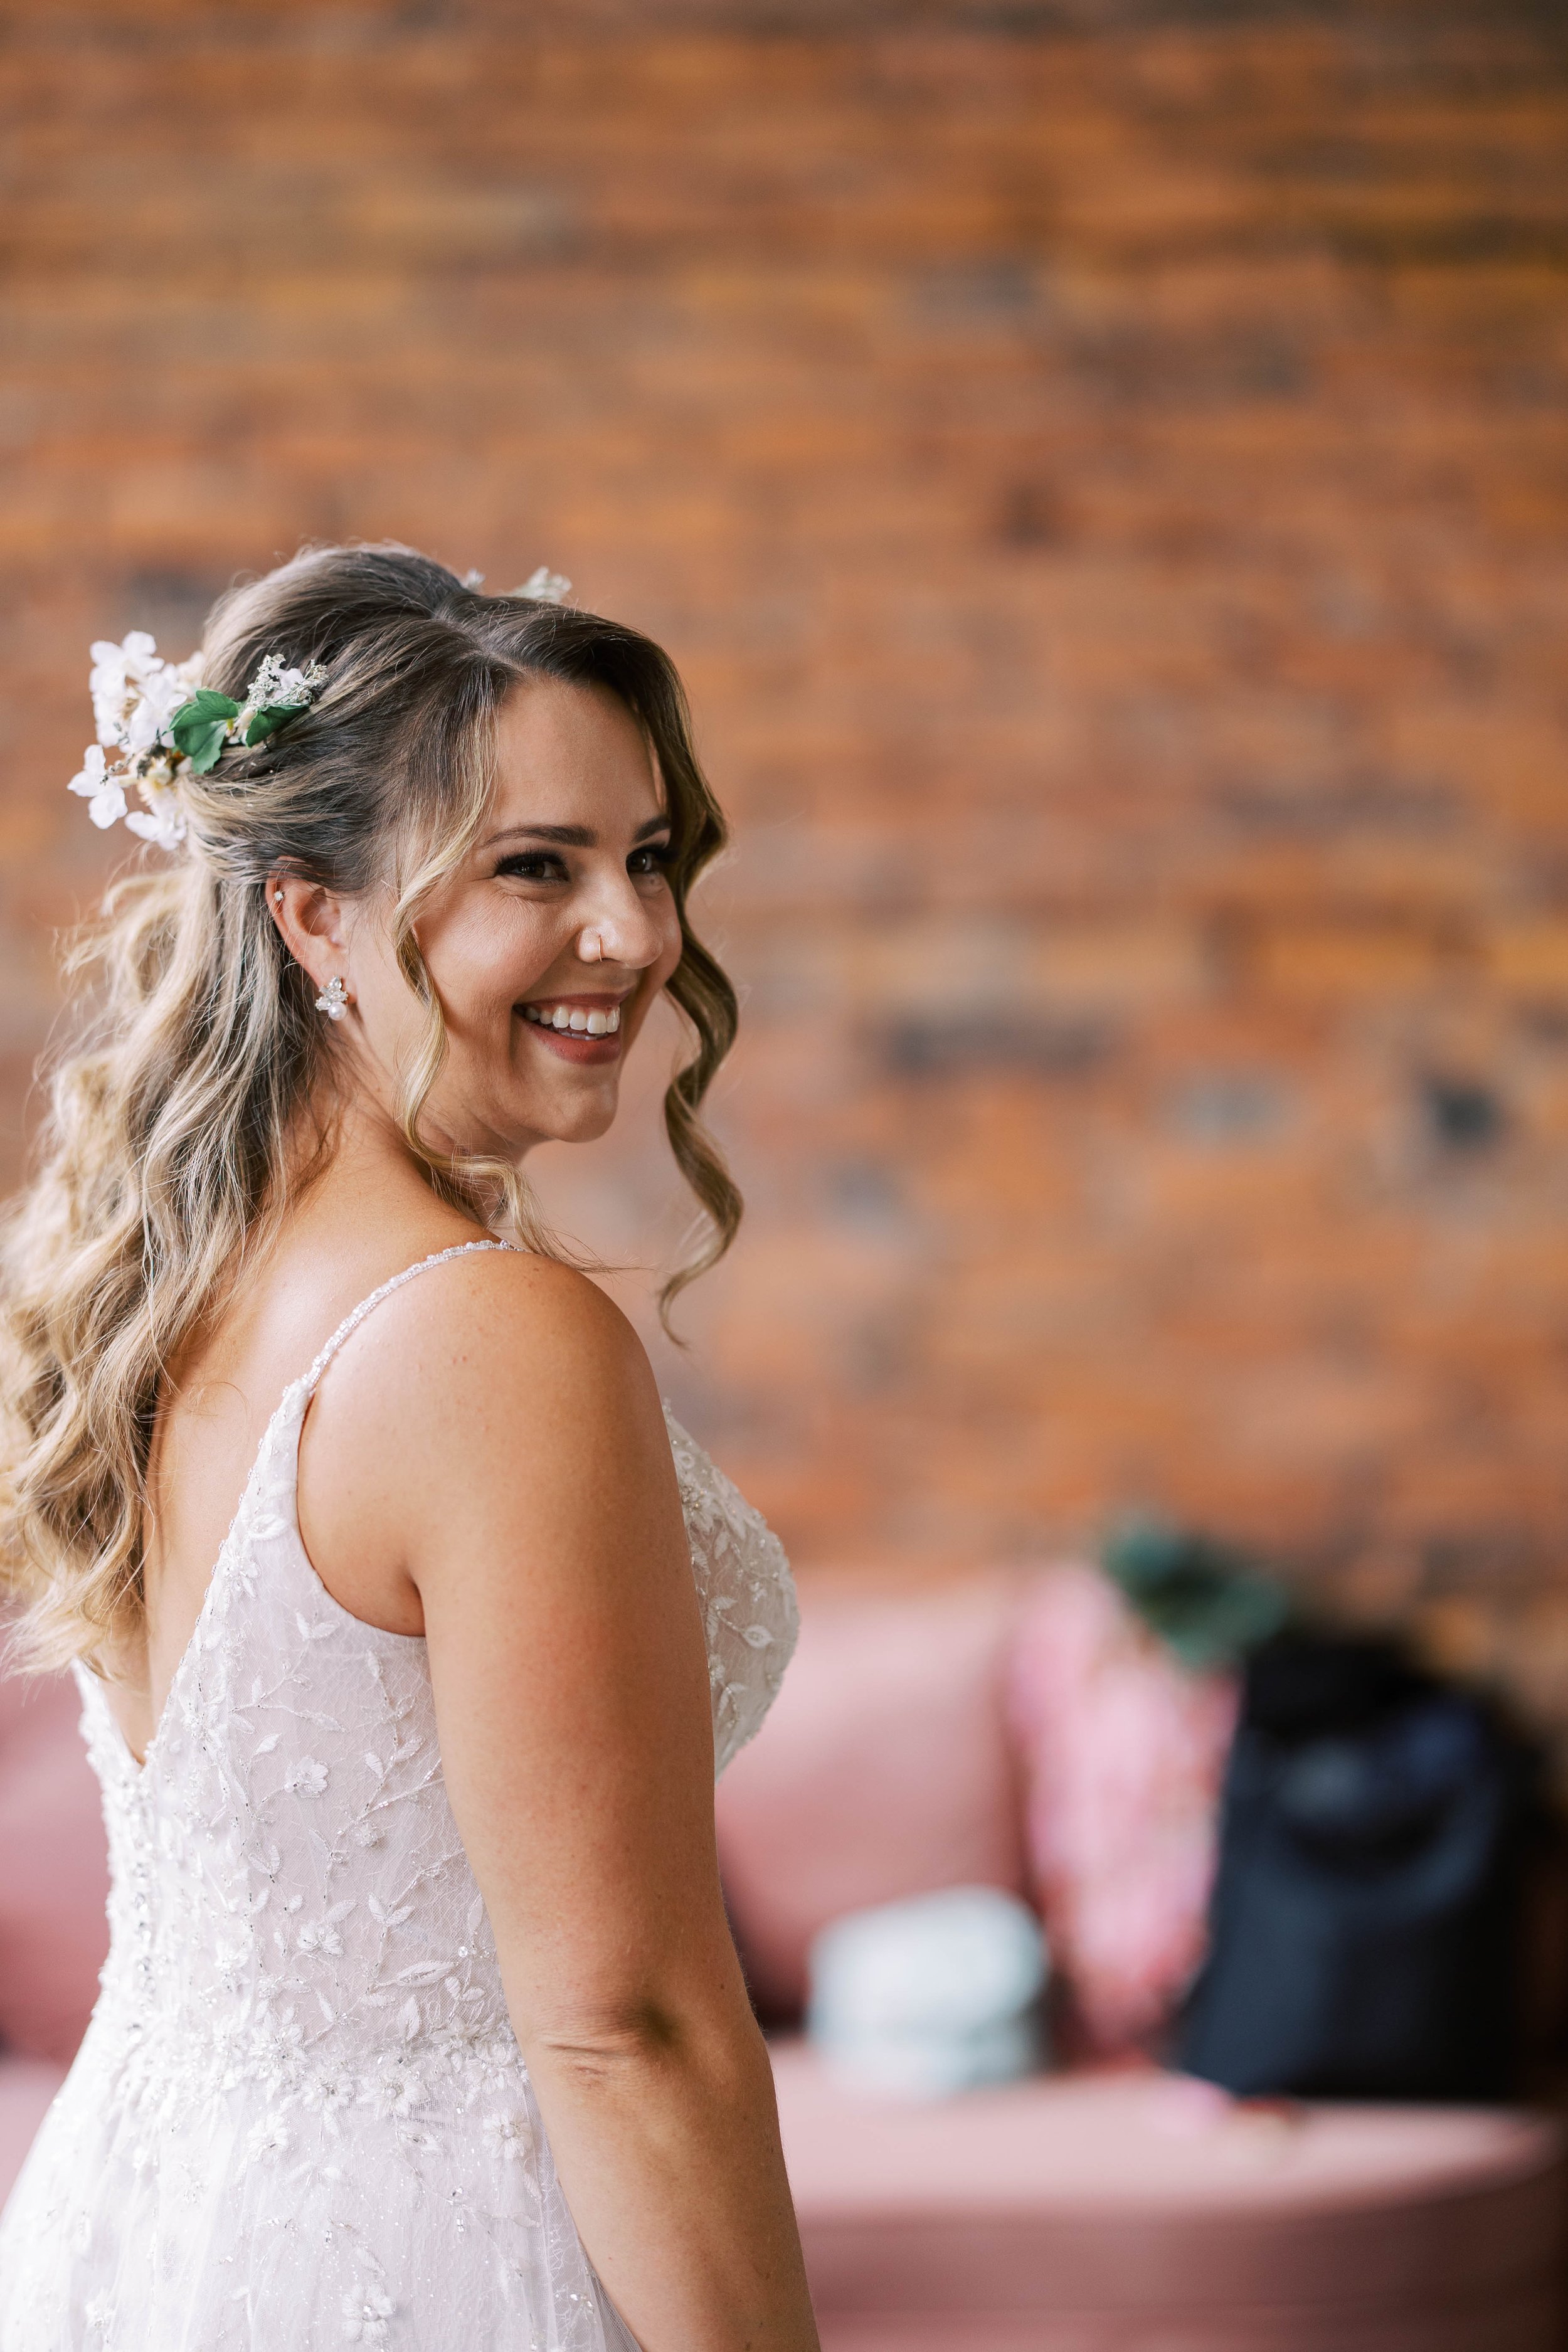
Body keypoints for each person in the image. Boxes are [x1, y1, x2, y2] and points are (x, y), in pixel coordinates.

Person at [0, 546, 818, 2352]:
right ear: (313, 917)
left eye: (650, 857)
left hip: (144, 2227)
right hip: (439, 2264)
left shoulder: (162, 1284)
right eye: (538, 867)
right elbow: (629, 2027)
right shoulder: (484, 1338)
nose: (636, 934)